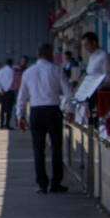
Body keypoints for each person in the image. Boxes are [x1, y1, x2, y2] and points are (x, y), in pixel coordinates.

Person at [16, 42, 71, 193]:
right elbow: (67, 93)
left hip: (36, 112)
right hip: (53, 111)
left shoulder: (28, 72)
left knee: (38, 150)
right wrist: (69, 110)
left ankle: (42, 183)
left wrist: (20, 115)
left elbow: (22, 96)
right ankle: (56, 183)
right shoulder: (57, 70)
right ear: (49, 54)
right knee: (56, 148)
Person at [0, 56, 17, 129]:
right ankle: (7, 124)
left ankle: (1, 124)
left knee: (2, 108)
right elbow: (11, 81)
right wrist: (6, 89)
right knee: (9, 109)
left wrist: (1, 90)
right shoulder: (12, 71)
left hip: (2, 92)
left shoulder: (0, 71)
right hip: (9, 92)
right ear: (11, 64)